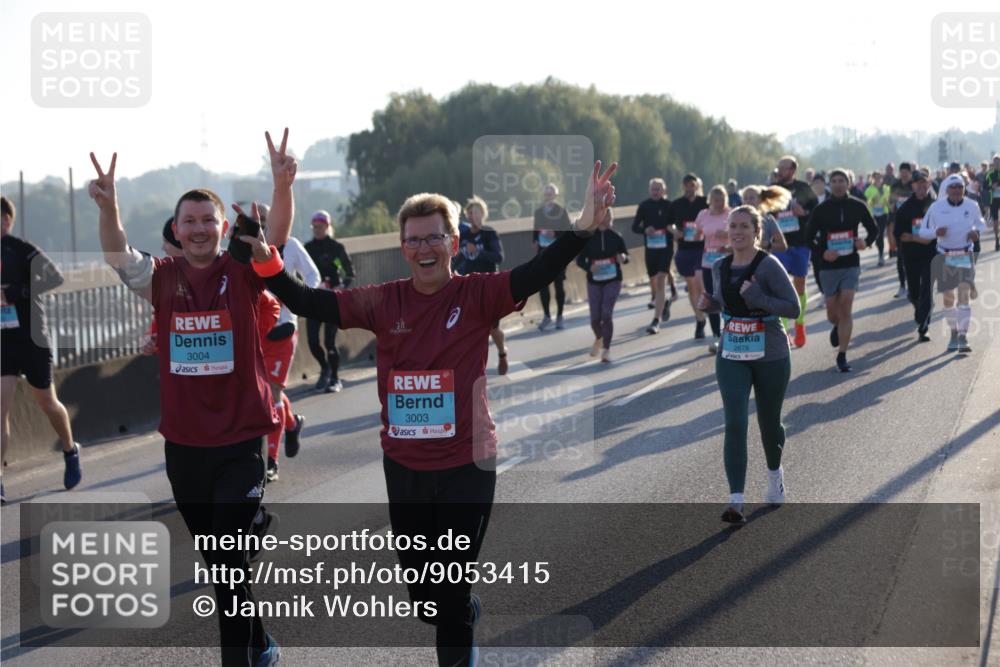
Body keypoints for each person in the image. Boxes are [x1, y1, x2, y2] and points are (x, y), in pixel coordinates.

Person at [244, 161, 618, 667]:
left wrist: (582, 227)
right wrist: (268, 262)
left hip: (469, 462)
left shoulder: (478, 294)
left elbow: (538, 270)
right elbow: (308, 300)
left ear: (455, 241)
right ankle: (459, 608)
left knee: (451, 586)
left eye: (434, 238)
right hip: (406, 466)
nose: (424, 248)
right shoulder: (382, 301)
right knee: (425, 595)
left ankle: (460, 617)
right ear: (403, 248)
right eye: (414, 240)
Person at [88, 128, 296, 667]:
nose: (199, 229)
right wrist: (109, 207)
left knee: (228, 568)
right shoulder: (160, 277)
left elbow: (275, 231)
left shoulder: (242, 273)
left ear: (223, 229)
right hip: (184, 448)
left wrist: (282, 184)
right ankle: (263, 642)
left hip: (241, 440)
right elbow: (116, 254)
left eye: (209, 221)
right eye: (189, 222)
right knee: (220, 566)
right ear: (176, 232)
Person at [696, 205, 800, 525]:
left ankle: (774, 476)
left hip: (770, 352)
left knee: (769, 424)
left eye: (744, 226)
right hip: (732, 353)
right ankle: (736, 500)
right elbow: (723, 301)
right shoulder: (719, 266)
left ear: (757, 232)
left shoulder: (768, 266)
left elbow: (793, 308)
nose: (738, 232)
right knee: (735, 421)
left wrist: (759, 297)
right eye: (733, 226)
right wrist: (710, 303)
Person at [1, 196, 82, 504]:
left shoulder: (22, 250)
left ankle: (70, 449)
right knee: (1, 410)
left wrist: (20, 291)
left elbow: (55, 277)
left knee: (47, 403)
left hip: (32, 337)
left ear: (6, 220)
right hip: (3, 341)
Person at [256, 203, 319, 480]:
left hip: (283, 329)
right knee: (265, 395)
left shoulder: (291, 246)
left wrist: (299, 300)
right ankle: (292, 424)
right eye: (258, 223)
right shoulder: (246, 250)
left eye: (267, 222)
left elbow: (313, 276)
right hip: (256, 332)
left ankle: (271, 459)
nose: (264, 228)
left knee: (272, 392)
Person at [805, 169, 879, 372]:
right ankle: (836, 326)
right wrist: (822, 252)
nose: (838, 184)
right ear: (830, 184)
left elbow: (874, 229)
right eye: (834, 181)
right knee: (832, 312)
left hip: (850, 263)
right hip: (828, 266)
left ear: (848, 183)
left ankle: (842, 355)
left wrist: (866, 242)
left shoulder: (857, 205)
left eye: (842, 181)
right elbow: (808, 237)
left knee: (846, 306)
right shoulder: (821, 209)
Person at [917, 174, 985, 353]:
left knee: (963, 296)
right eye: (953, 187)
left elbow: (981, 223)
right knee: (949, 299)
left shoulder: (972, 205)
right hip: (944, 255)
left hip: (964, 253)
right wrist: (935, 232)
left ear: (964, 189)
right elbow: (923, 231)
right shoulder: (936, 207)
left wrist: (976, 232)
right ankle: (954, 333)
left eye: (959, 187)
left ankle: (963, 336)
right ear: (946, 189)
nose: (956, 190)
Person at [304, 210, 355, 392]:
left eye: (320, 227)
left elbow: (350, 273)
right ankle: (324, 367)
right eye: (314, 227)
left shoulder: (336, 248)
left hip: (332, 300)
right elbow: (299, 271)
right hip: (314, 300)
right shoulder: (307, 248)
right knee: (312, 341)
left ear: (327, 226)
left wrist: (340, 287)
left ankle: (334, 378)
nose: (317, 230)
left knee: (329, 342)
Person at [771, 155, 819, 348]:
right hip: (779, 245)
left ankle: (799, 324)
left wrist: (804, 213)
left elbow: (817, 214)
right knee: (779, 286)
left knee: (799, 285)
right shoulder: (772, 191)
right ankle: (784, 331)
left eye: (783, 168)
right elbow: (762, 214)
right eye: (778, 167)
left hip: (800, 243)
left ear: (792, 170)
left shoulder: (804, 189)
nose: (779, 171)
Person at [577, 208, 628, 362]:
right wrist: (588, 267)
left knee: (606, 314)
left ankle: (606, 349)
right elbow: (580, 260)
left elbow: (626, 256)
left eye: (607, 215)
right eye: (601, 214)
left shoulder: (616, 237)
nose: (604, 217)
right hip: (594, 281)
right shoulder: (589, 237)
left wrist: (623, 258)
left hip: (613, 280)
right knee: (594, 320)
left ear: (611, 217)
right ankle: (599, 338)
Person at [894, 170, 936, 341]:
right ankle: (919, 306)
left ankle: (924, 326)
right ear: (912, 186)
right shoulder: (905, 208)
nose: (921, 186)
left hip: (931, 254)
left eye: (924, 183)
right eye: (917, 183)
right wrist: (917, 238)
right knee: (914, 292)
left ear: (929, 184)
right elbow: (900, 234)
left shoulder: (936, 205)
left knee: (927, 288)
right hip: (911, 254)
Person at [668, 173, 710, 338]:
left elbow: (715, 217)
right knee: (691, 286)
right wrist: (674, 231)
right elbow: (668, 222)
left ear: (696, 186)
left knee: (700, 282)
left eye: (692, 185)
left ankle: (705, 309)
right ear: (683, 186)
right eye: (687, 185)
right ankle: (699, 320)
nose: (689, 188)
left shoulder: (704, 202)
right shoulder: (677, 204)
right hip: (684, 248)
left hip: (702, 248)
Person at [632, 177, 675, 333]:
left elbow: (676, 224)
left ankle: (656, 321)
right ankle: (664, 302)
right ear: (649, 191)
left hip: (666, 248)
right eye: (653, 189)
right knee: (654, 280)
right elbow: (634, 227)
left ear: (664, 190)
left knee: (661, 280)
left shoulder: (670, 206)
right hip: (651, 249)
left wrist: (673, 229)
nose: (656, 192)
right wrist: (645, 230)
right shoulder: (644, 206)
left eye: (659, 189)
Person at [693, 185, 731, 353]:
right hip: (708, 262)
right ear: (710, 200)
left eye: (722, 199)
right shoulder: (703, 215)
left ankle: (730, 331)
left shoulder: (731, 214)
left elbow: (741, 235)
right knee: (712, 298)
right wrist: (695, 236)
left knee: (727, 297)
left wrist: (727, 236)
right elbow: (697, 235)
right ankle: (717, 336)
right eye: (716, 199)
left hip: (727, 261)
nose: (719, 202)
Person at [533, 183, 571, 331]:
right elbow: (535, 229)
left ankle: (560, 316)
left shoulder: (561, 212)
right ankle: (547, 316)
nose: (548, 196)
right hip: (542, 252)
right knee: (542, 285)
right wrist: (534, 240)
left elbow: (568, 231)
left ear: (555, 196)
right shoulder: (539, 212)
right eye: (546, 194)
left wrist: (555, 233)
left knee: (558, 285)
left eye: (551, 194)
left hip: (558, 253)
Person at [890, 163, 917, 298]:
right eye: (902, 171)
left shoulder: (914, 184)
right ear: (899, 172)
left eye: (907, 171)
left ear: (910, 173)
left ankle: (917, 284)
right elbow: (892, 203)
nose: (904, 174)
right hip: (900, 224)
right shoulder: (895, 186)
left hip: (915, 225)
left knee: (916, 256)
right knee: (901, 257)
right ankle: (902, 286)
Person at [740, 185, 789, 254]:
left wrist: (765, 244)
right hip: (742, 262)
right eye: (745, 198)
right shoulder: (737, 219)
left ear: (759, 200)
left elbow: (783, 246)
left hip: (762, 260)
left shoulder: (768, 219)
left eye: (751, 198)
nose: (748, 201)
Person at [865, 171, 892, 267]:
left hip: (884, 213)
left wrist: (887, 204)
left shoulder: (886, 189)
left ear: (882, 179)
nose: (877, 180)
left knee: (880, 234)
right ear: (872, 179)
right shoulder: (869, 190)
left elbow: (888, 201)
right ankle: (880, 251)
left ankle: (881, 255)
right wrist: (873, 199)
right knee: (877, 234)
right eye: (875, 178)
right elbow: (868, 202)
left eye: (879, 178)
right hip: (874, 214)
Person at [985, 155, 1000, 251]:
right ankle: (997, 240)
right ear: (993, 163)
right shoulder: (990, 174)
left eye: (998, 162)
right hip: (994, 200)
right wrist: (991, 187)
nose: (997, 164)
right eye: (996, 162)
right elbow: (985, 187)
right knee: (995, 220)